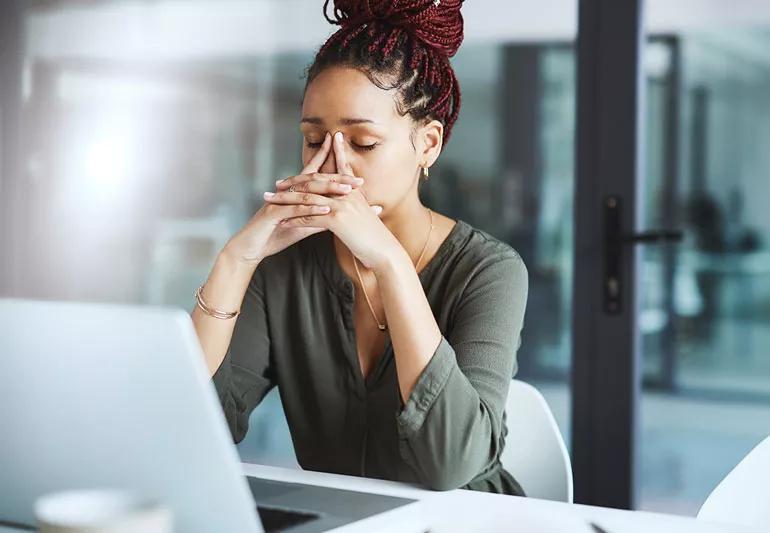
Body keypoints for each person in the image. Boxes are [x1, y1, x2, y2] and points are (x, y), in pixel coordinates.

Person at [192, 0, 528, 495]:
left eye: (364, 143)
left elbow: (449, 466)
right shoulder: (283, 268)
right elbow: (197, 428)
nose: (333, 165)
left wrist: (390, 262)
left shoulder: (489, 270)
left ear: (428, 145)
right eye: (312, 140)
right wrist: (235, 261)